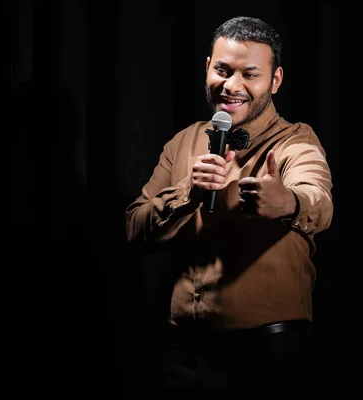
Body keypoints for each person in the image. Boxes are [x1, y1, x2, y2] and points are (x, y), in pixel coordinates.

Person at [125, 15, 333, 398]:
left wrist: (287, 201)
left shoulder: (295, 141)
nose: (231, 86)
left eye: (249, 74)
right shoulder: (182, 142)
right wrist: (189, 193)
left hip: (268, 358)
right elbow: (134, 227)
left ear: (275, 80)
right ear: (208, 68)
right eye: (222, 70)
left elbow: (318, 201)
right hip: (182, 355)